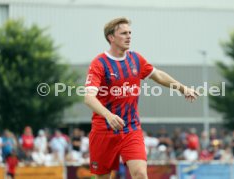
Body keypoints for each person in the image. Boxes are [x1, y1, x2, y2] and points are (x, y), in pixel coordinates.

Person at [84, 17, 198, 179]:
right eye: (124, 33)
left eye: (130, 33)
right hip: (104, 131)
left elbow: (157, 75)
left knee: (140, 174)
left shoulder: (135, 59)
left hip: (131, 129)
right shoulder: (99, 63)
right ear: (111, 37)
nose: (129, 36)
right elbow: (89, 98)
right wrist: (109, 115)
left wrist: (182, 88)